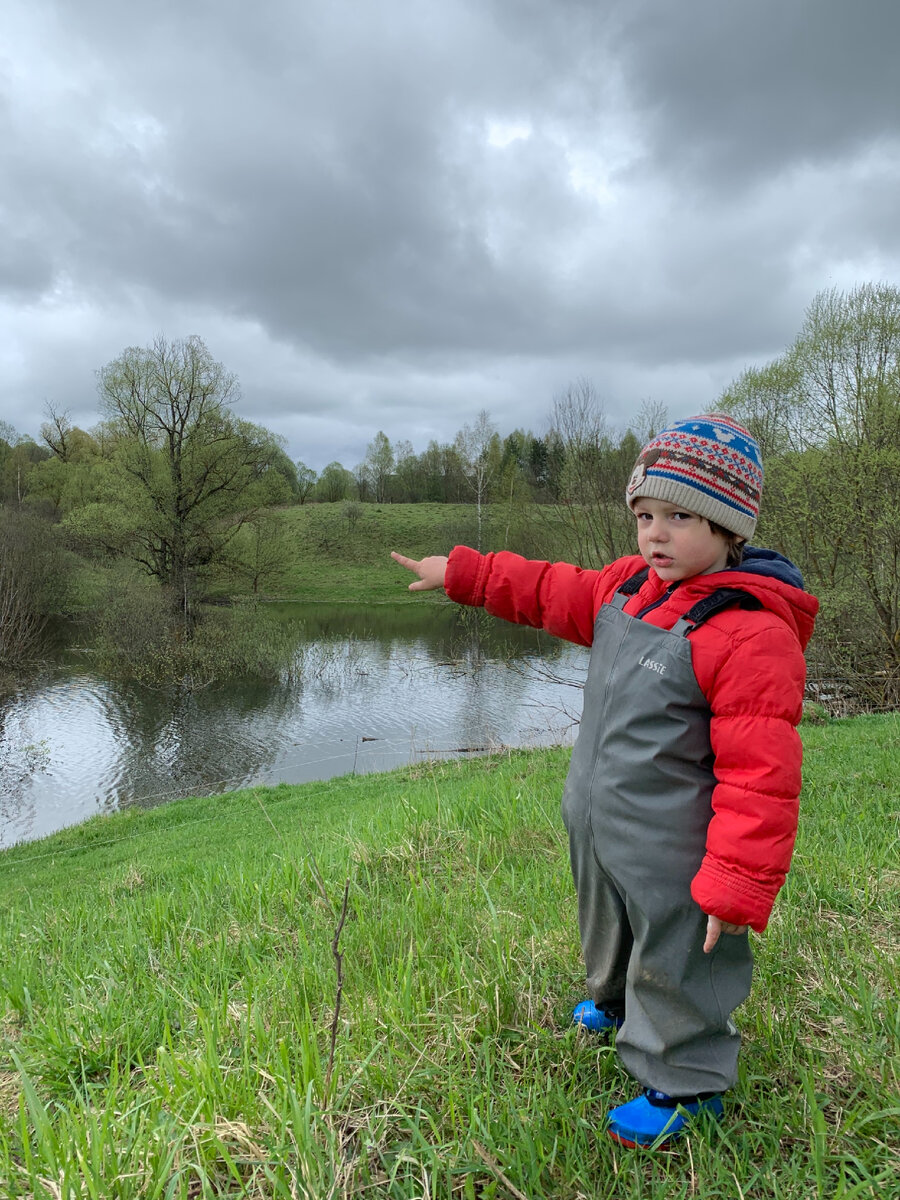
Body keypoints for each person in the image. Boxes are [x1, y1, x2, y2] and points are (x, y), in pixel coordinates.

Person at [392, 414, 818, 1148]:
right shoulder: (628, 588)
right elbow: (547, 588)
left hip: (674, 843)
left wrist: (738, 882)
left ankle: (687, 1085)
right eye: (645, 515)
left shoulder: (751, 631)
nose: (655, 534)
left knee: (679, 951)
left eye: (680, 517)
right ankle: (617, 1003)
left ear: (727, 530)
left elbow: (762, 774)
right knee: (609, 922)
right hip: (600, 818)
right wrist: (462, 573)